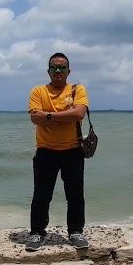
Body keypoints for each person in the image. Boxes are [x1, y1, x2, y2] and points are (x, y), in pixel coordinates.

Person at [25, 52, 88, 251]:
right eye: (54, 67)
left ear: (69, 71)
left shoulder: (78, 89)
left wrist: (49, 115)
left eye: (62, 67)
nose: (58, 71)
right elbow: (35, 118)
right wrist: (64, 116)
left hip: (73, 151)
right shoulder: (38, 91)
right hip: (45, 151)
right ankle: (36, 233)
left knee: (75, 195)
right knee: (41, 195)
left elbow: (79, 113)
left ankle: (76, 232)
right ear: (48, 71)